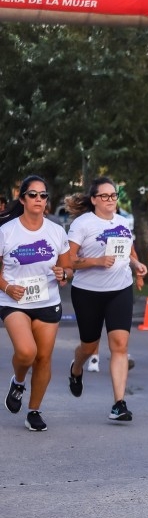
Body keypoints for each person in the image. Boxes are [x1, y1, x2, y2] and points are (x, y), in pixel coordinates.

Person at [66, 177, 148, 422]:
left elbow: (127, 251)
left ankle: (119, 404)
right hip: (88, 292)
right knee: (89, 346)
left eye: (114, 195)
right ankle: (76, 368)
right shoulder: (82, 224)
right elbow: (69, 260)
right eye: (105, 196)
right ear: (94, 200)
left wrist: (136, 264)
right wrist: (97, 261)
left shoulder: (123, 222)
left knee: (120, 345)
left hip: (120, 289)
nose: (111, 199)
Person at [1, 176, 72, 431]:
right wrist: (7, 286)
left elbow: (67, 268)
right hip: (14, 300)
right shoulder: (7, 232)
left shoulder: (56, 231)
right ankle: (18, 381)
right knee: (27, 352)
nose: (39, 200)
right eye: (33, 195)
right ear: (22, 199)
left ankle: (34, 410)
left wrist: (64, 274)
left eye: (43, 195)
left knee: (43, 358)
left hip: (47, 299)